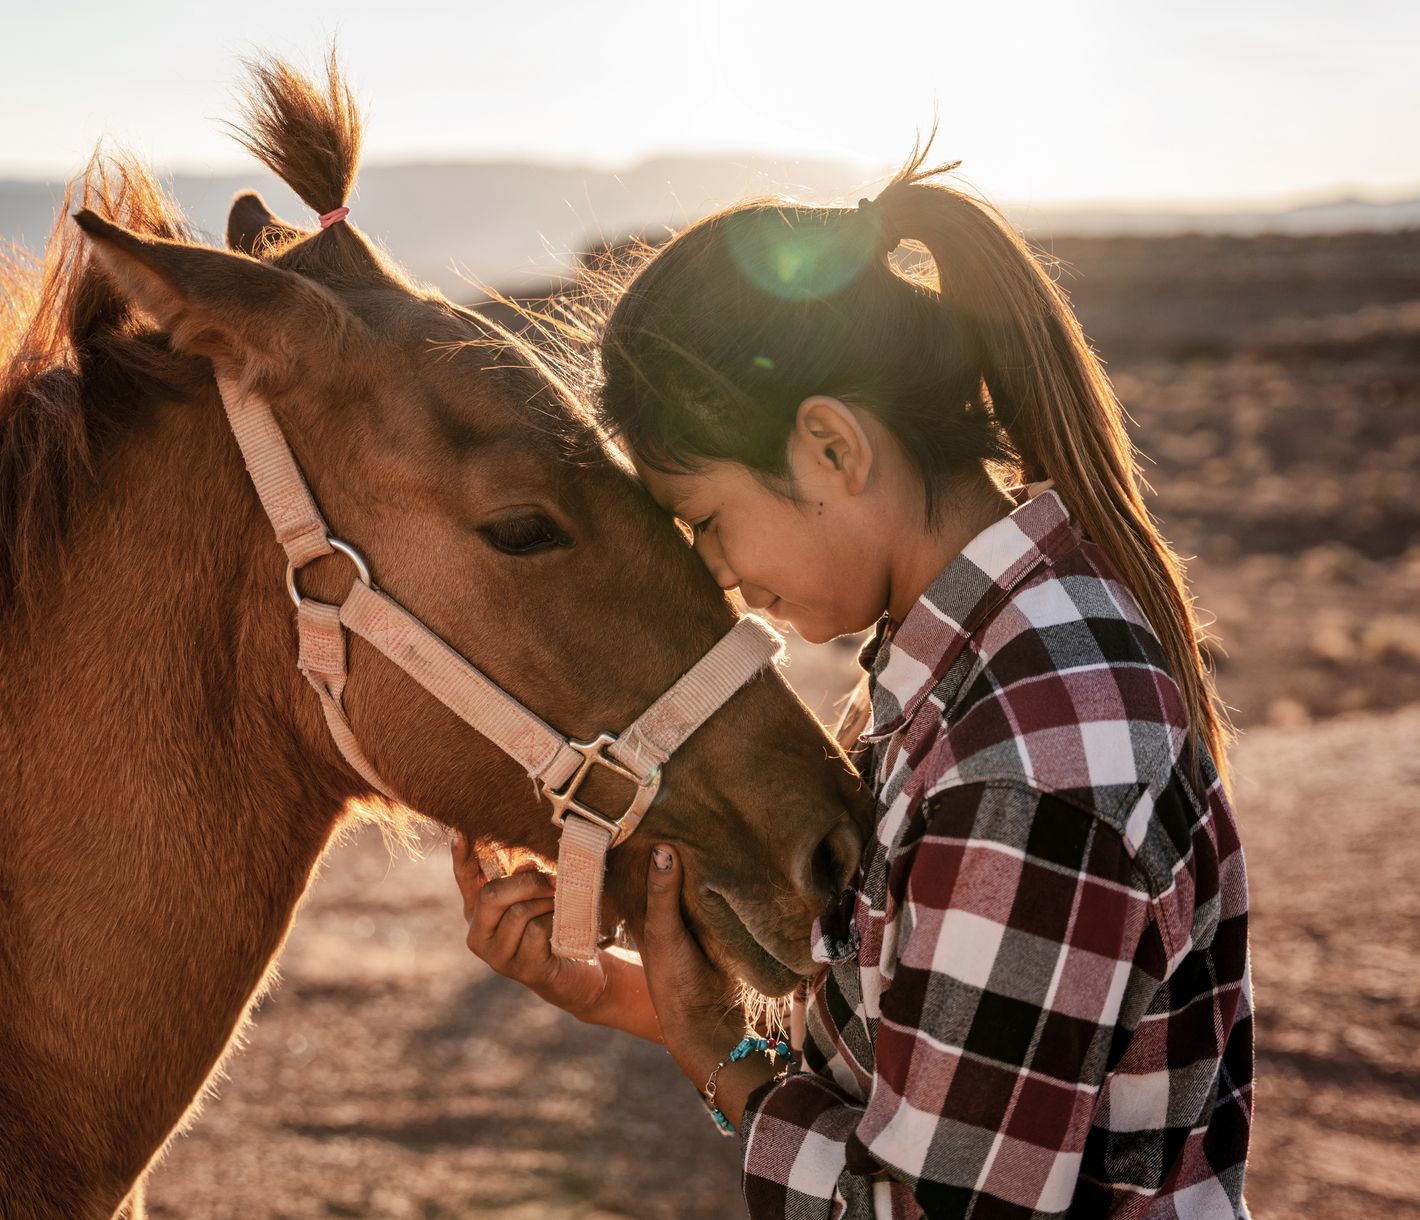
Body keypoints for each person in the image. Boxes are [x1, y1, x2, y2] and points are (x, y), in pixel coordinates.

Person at [449, 148, 1253, 1218]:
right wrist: (644, 996)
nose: (720, 580)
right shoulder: (973, 664)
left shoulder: (1024, 762)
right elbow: (905, 1046)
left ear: (831, 446)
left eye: (708, 524)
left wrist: (709, 1051)